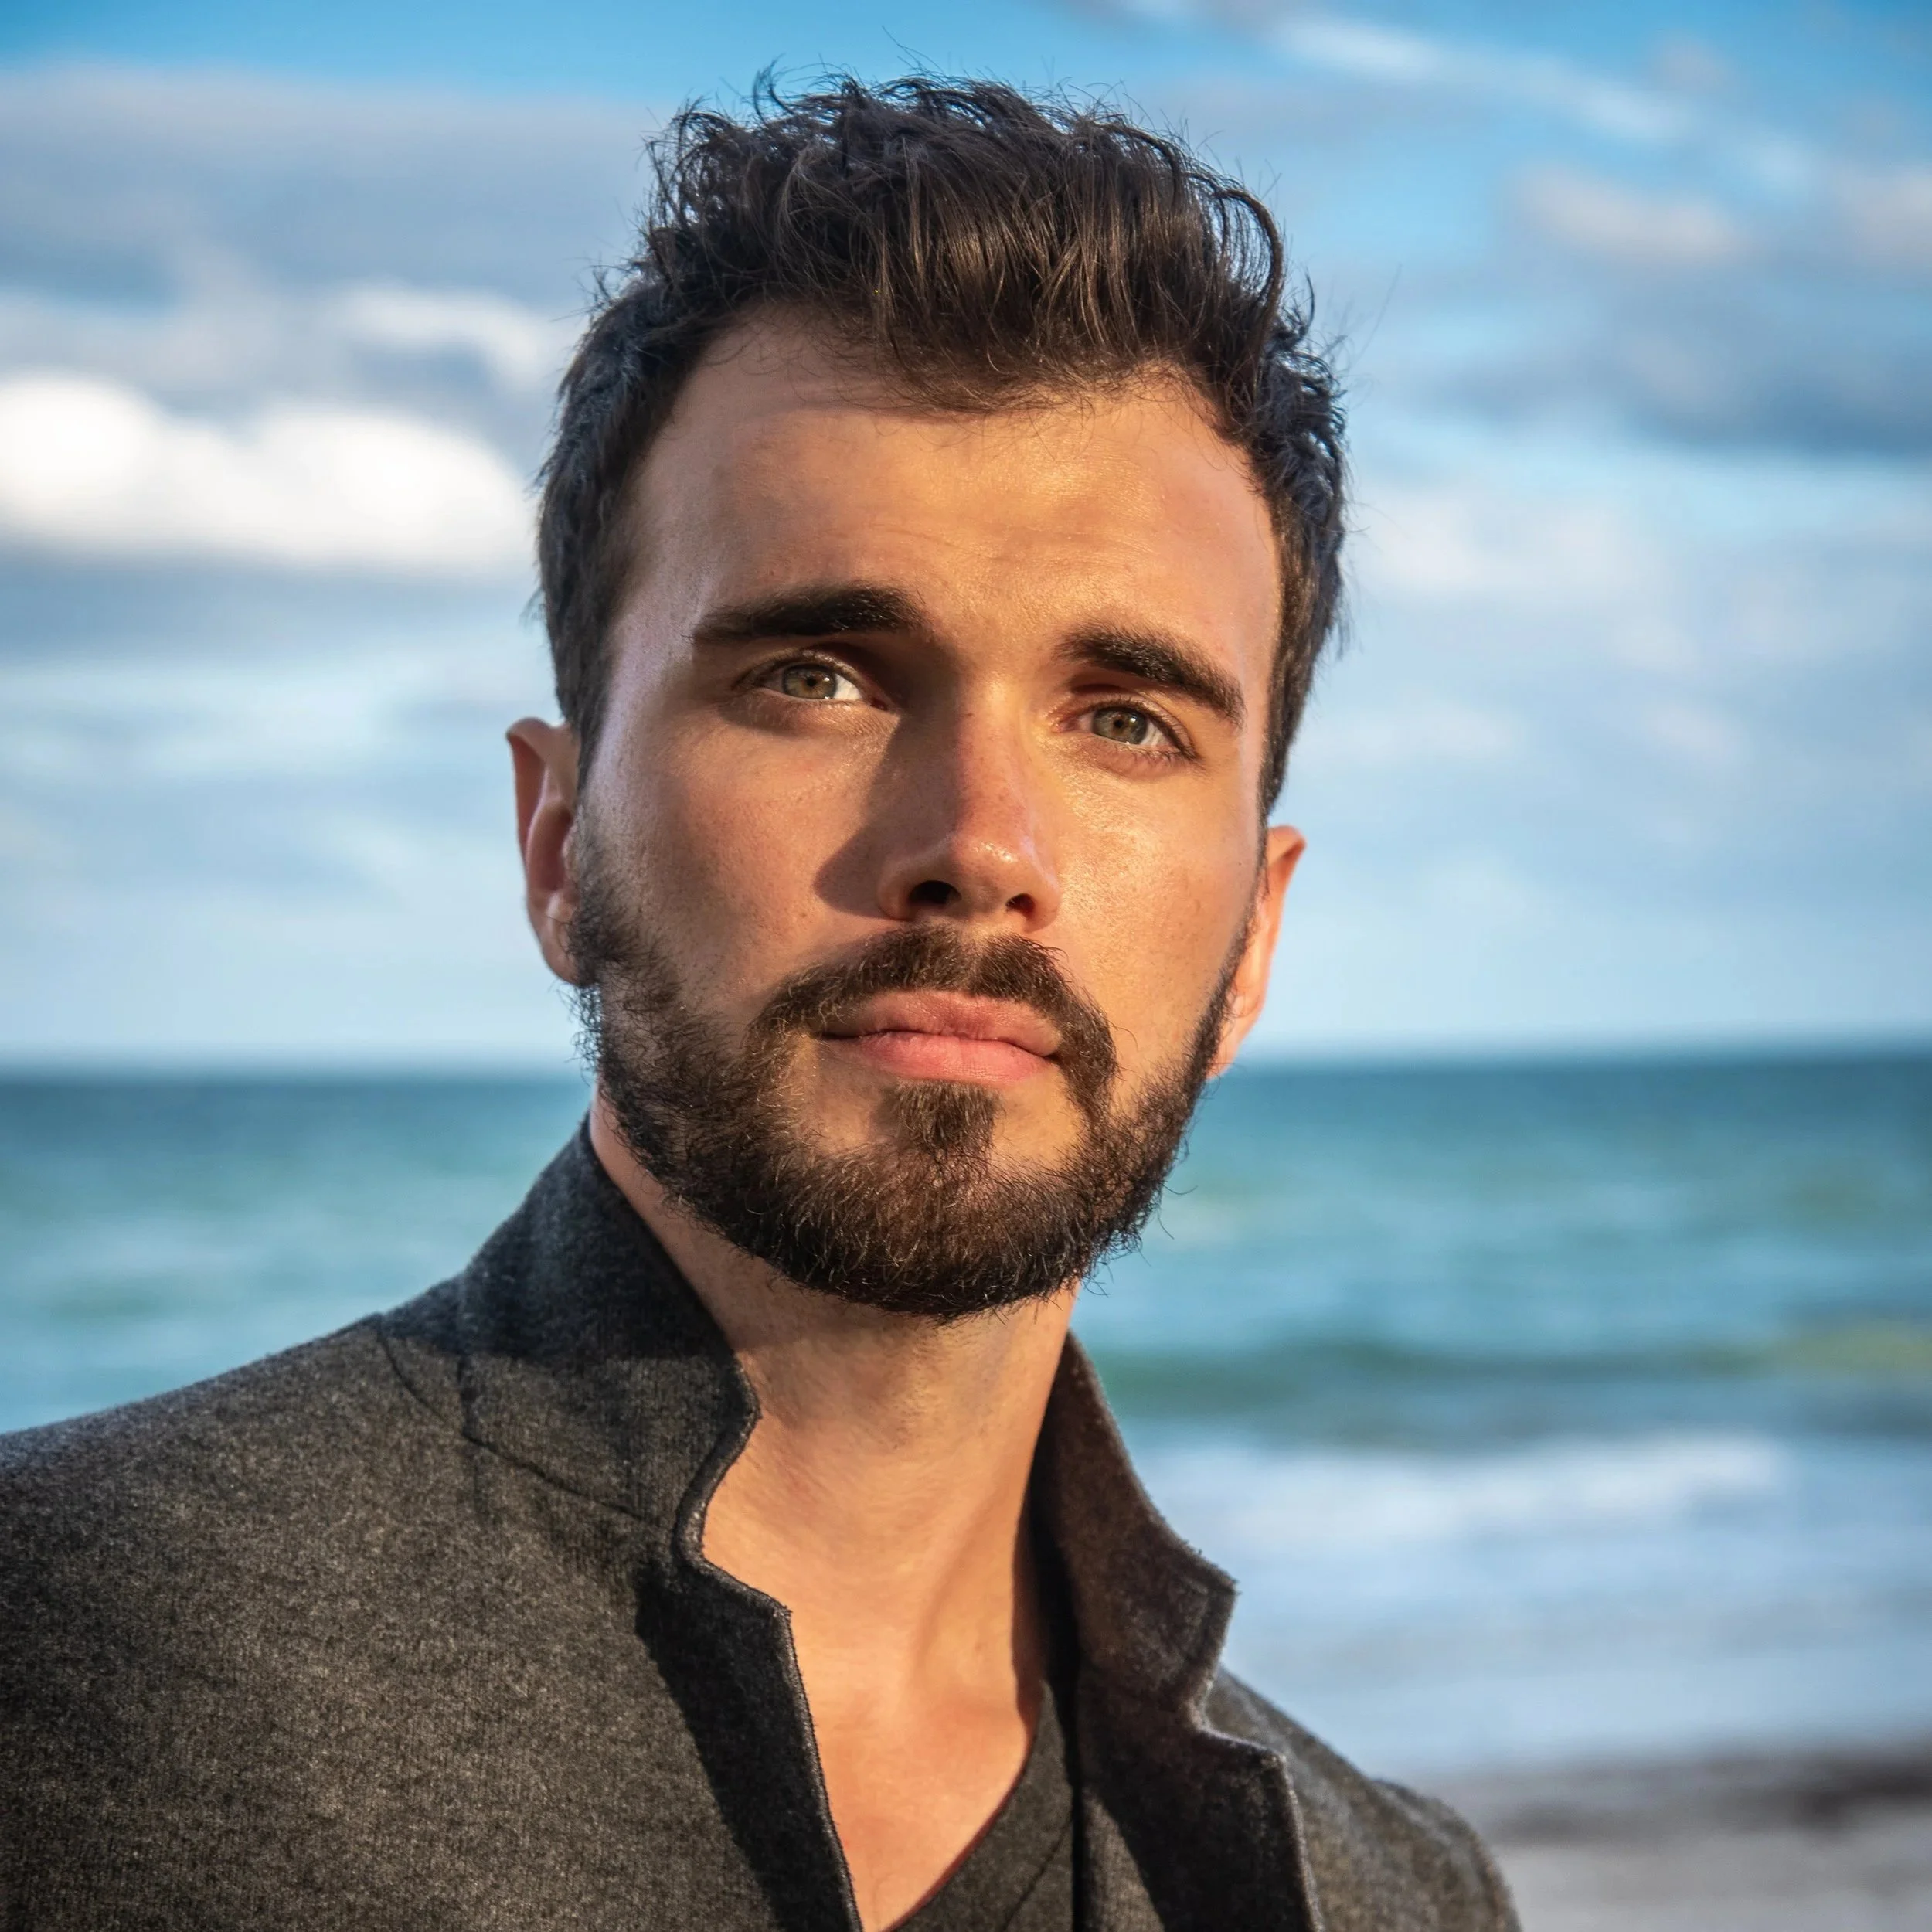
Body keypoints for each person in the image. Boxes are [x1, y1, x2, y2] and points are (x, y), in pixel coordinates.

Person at [0, 78, 1516, 1931]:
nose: (980, 844)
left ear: (1254, 935)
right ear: (557, 839)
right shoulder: (70, 1645)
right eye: (817, 674)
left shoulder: (1388, 1897)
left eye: (1124, 717)